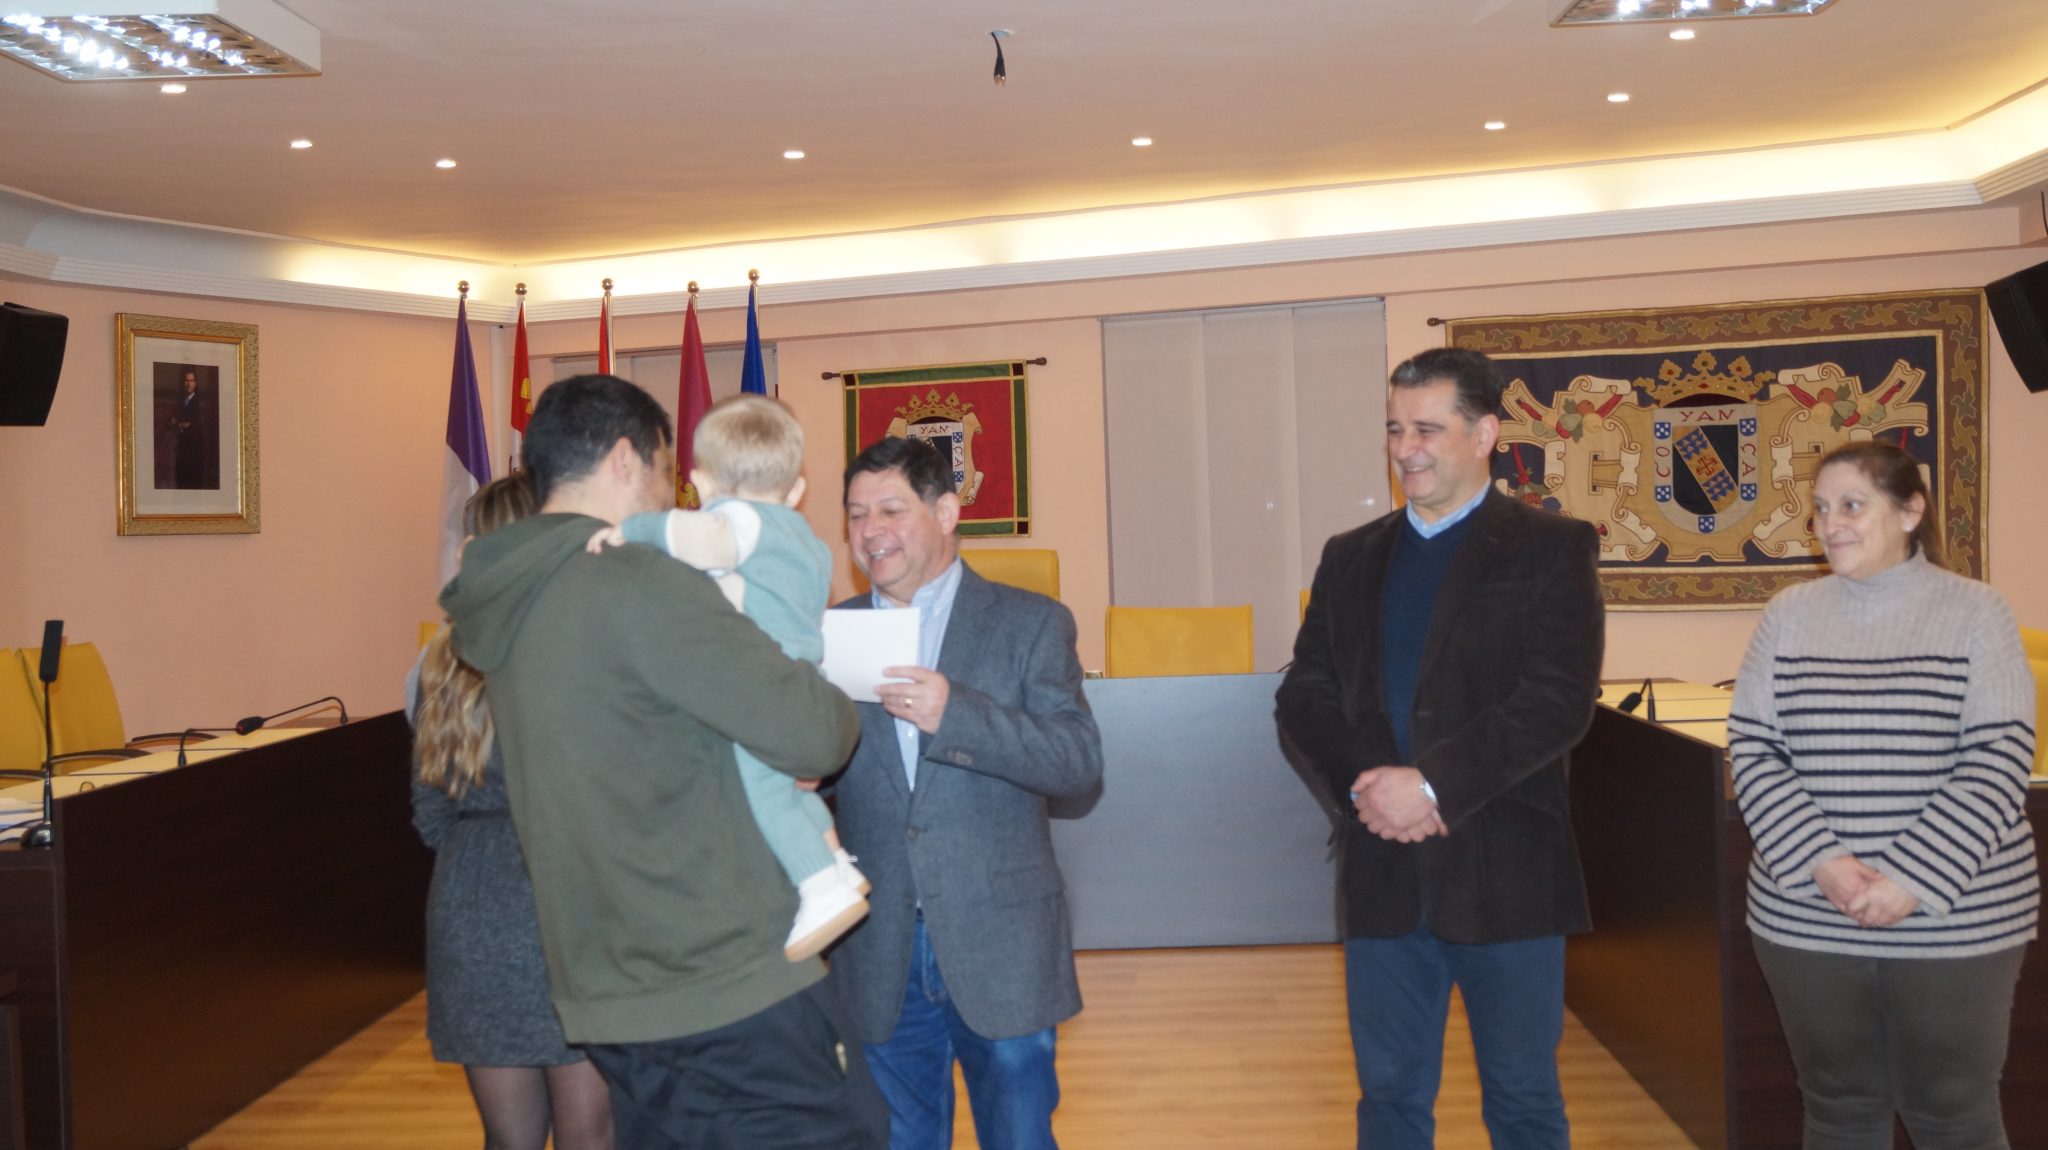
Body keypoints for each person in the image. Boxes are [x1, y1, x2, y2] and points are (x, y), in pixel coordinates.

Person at [439, 374, 886, 1149]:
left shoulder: (515, 597)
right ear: (624, 459)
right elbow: (817, 734)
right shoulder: (639, 581)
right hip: (721, 980)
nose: (676, 495)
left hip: (609, 990)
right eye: (665, 470)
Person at [1275, 346, 1604, 1150]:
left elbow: (1555, 701)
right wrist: (1370, 788)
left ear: (1484, 433)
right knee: (1388, 1101)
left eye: (1426, 428)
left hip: (1508, 870)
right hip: (1382, 870)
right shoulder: (1350, 556)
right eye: (1395, 429)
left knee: (1523, 1102)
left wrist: (1430, 787)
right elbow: (1304, 694)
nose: (1406, 449)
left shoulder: (1552, 548)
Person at [1728, 440, 2039, 1149]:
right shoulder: (1788, 615)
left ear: (1910, 511)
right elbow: (1754, 746)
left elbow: (1997, 757)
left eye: (1851, 505)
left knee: (1954, 1114)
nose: (1829, 524)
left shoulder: (1977, 612)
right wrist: (1824, 863)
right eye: (1820, 509)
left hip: (1955, 915)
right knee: (1837, 1108)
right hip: (1808, 911)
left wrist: (1913, 878)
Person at [830, 435, 1104, 1150]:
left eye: (891, 509)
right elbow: (822, 775)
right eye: (856, 514)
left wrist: (957, 714)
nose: (869, 530)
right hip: (877, 946)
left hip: (1000, 943)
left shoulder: (1031, 622)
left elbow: (1077, 763)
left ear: (947, 512)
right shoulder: (832, 633)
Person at [589, 393, 870, 961]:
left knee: (758, 787)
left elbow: (706, 541)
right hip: (801, 675)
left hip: (762, 678)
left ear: (700, 484)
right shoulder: (810, 543)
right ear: (797, 489)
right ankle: (837, 860)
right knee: (789, 788)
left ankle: (819, 885)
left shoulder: (738, 520)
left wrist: (632, 528)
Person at [410, 471, 614, 1150]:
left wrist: (482, 858)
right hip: (573, 904)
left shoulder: (440, 660)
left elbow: (429, 811)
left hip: (473, 909)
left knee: (508, 1138)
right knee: (591, 1135)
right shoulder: (579, 643)